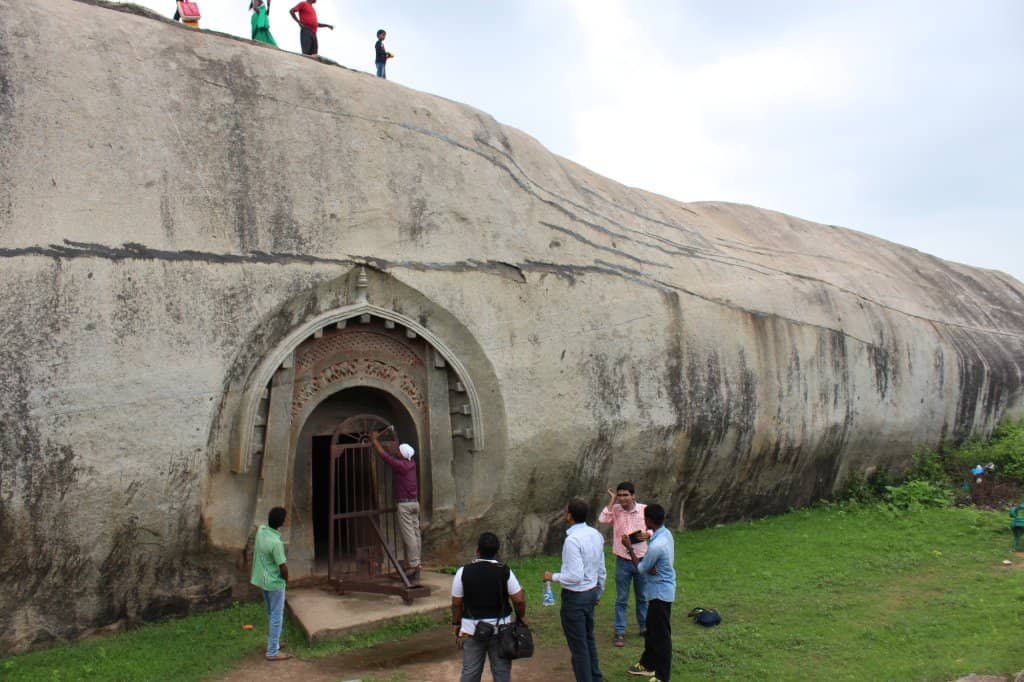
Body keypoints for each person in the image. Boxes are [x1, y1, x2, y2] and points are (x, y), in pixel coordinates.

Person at [451, 532, 528, 682]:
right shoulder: (504, 570)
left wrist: (456, 623)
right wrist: (521, 616)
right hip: (501, 631)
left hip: (472, 630)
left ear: (477, 550)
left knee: (470, 673)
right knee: (501, 674)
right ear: (496, 552)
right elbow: (518, 600)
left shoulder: (463, 571)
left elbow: (456, 603)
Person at [544, 498, 607, 682]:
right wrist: (598, 591)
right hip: (591, 592)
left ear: (570, 516)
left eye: (566, 511)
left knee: (579, 647)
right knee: (588, 640)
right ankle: (595, 677)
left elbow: (574, 576)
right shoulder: (595, 534)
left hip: (576, 597)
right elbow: (601, 568)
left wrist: (552, 576)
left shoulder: (572, 540)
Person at [622, 503, 676, 681]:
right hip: (659, 591)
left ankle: (662, 676)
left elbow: (641, 569)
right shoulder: (665, 534)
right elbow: (651, 565)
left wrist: (630, 548)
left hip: (660, 593)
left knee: (662, 637)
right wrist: (650, 564)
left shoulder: (656, 546)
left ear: (650, 521)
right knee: (652, 631)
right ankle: (647, 664)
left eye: (645, 519)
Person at [598, 482, 649, 647]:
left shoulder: (643, 509)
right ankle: (619, 632)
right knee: (621, 598)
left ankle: (644, 627)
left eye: (625, 495)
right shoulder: (616, 510)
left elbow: (655, 527)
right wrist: (612, 501)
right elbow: (602, 519)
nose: (622, 498)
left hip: (641, 558)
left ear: (633, 496)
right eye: (619, 495)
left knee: (642, 596)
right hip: (623, 560)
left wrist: (648, 534)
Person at [370, 428, 422, 581]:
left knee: (409, 536)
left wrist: (374, 441)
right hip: (414, 504)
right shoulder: (411, 463)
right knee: (416, 534)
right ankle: (417, 562)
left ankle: (413, 564)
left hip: (405, 506)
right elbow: (396, 454)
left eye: (398, 451)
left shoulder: (401, 466)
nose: (396, 451)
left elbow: (385, 457)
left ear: (403, 455)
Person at [251, 506, 292, 661]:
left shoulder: (261, 531)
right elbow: (283, 567)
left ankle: (274, 644)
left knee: (271, 613)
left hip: (262, 580)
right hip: (274, 583)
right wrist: (286, 581)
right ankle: (272, 652)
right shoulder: (276, 543)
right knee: (277, 615)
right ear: (281, 523)